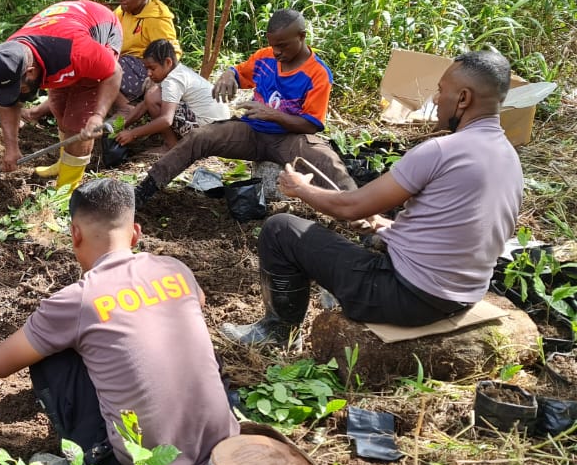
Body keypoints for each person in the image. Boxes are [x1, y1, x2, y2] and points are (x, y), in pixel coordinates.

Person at [223, 50, 523, 345]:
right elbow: (464, 230)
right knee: (371, 231)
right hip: (463, 296)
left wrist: (301, 188)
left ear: (464, 98)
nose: (435, 99)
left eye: (442, 91)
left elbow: (351, 207)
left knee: (280, 229)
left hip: (407, 297)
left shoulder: (441, 151)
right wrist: (384, 226)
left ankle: (278, 333)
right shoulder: (508, 157)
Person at [0, 179, 238, 465]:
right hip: (222, 446)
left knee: (49, 356)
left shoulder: (79, 300)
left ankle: (91, 462)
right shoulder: (175, 268)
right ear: (135, 234)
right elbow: (200, 301)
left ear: (75, 234)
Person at [134, 8, 355, 208]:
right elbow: (239, 73)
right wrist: (228, 75)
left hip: (289, 138)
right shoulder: (264, 57)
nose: (276, 52)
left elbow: (311, 125)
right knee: (199, 137)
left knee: (327, 160)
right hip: (251, 132)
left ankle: (362, 215)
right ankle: (145, 190)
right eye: (273, 45)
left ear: (302, 36)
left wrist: (273, 115)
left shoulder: (318, 74)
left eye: (283, 46)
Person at [31, 0, 177, 175]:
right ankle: (43, 120)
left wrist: (160, 80)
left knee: (98, 71)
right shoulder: (122, 11)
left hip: (140, 66)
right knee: (84, 70)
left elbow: (170, 51)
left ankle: (122, 107)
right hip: (120, 59)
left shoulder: (157, 19)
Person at [0, 0, 123, 191]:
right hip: (60, 37)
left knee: (78, 122)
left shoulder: (76, 50)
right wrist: (11, 148)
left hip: (101, 29)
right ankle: (64, 163)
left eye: (20, 88)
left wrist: (98, 115)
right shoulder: (7, 57)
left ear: (31, 72)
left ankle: (67, 189)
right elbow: (8, 104)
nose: (17, 94)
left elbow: (114, 72)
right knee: (59, 108)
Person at [114, 38, 230, 151]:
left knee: (152, 96)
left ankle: (171, 145)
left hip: (207, 134)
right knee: (152, 96)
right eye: (147, 69)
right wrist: (121, 125)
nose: (148, 73)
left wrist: (133, 134)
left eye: (152, 68)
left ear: (168, 62)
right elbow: (144, 105)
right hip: (219, 131)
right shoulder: (179, 72)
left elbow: (166, 120)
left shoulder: (173, 81)